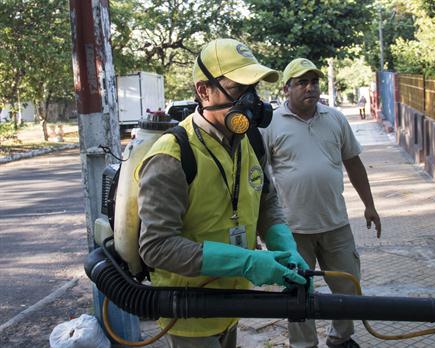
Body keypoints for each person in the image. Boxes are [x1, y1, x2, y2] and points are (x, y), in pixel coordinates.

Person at [136, 38, 309, 348]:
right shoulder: (172, 155)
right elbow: (157, 246)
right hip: (189, 313)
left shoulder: (249, 141)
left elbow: (266, 199)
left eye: (254, 88)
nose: (252, 101)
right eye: (239, 89)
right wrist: (247, 263)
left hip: (232, 304)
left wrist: (285, 244)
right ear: (204, 91)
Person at [261, 58, 382, 348]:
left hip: (335, 224)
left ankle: (340, 339)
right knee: (298, 294)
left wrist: (370, 204)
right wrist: (259, 226)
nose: (310, 87)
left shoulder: (335, 118)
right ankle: (304, 345)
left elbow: (353, 163)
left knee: (349, 287)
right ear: (287, 88)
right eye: (302, 82)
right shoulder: (270, 124)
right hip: (292, 231)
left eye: (314, 81)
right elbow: (259, 179)